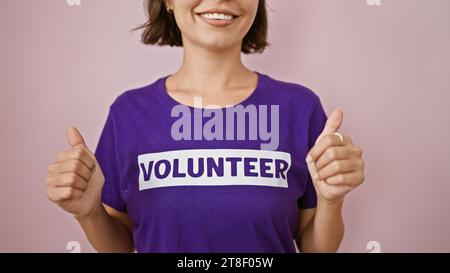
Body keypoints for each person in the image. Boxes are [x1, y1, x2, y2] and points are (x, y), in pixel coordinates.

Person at [46, 0, 365, 253]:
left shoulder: (301, 108)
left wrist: (331, 200)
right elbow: (118, 245)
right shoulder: (128, 113)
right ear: (168, 1)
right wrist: (88, 213)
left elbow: (316, 248)